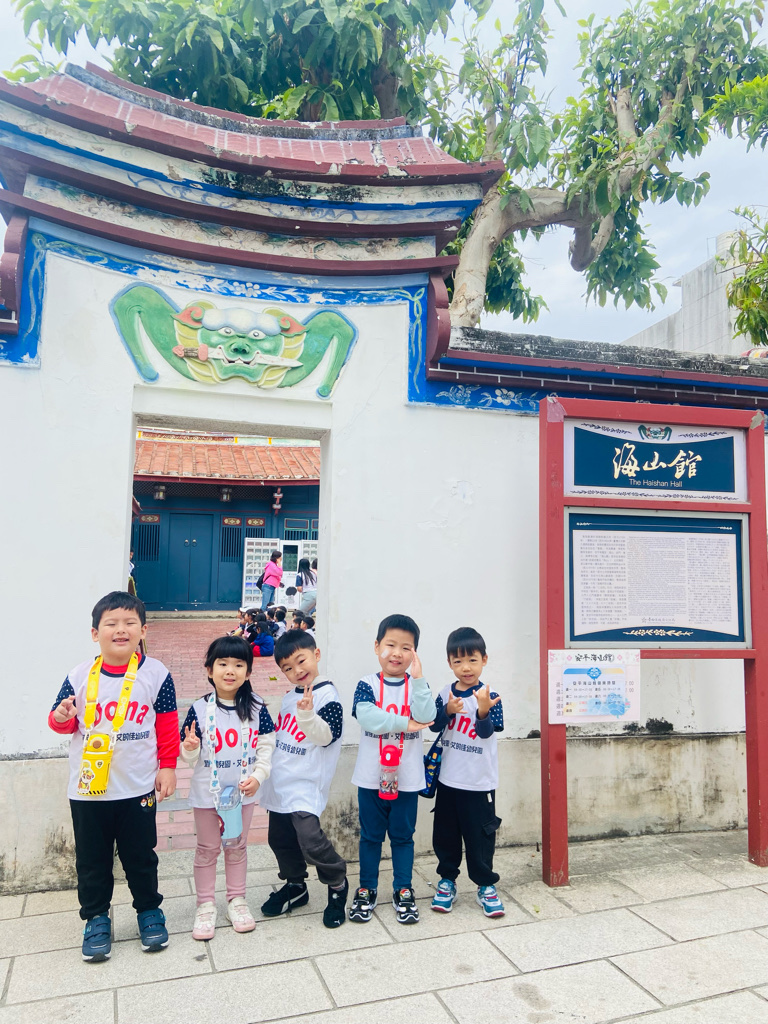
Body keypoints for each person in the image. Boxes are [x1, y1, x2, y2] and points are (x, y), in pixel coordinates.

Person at [48, 591, 179, 962]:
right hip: (88, 790)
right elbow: (60, 721)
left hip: (137, 787)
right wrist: (61, 716)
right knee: (92, 860)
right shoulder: (78, 676)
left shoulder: (156, 674)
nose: (121, 630)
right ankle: (96, 918)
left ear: (143, 631)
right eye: (111, 623)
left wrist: (168, 766)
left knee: (141, 856)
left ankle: (149, 911)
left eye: (129, 623)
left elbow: (167, 725)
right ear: (95, 633)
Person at [180, 635, 275, 940]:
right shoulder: (198, 709)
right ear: (210, 670)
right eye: (222, 664)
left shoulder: (257, 708)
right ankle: (205, 904)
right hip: (207, 796)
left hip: (241, 796)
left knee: (236, 847)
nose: (230, 670)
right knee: (207, 849)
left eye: (238, 664)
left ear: (248, 672)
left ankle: (237, 900)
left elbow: (266, 746)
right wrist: (190, 748)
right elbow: (188, 755)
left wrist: (258, 776)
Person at [258, 630, 348, 928]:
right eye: (287, 668)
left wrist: (308, 716)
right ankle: (296, 885)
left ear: (316, 654)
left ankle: (337, 882)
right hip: (280, 781)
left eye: (301, 660)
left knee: (310, 839)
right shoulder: (289, 697)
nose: (297, 670)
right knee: (279, 839)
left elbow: (327, 737)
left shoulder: (328, 696)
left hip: (305, 782)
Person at [348, 614, 435, 925]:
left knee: (403, 837)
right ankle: (366, 888)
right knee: (370, 836)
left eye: (406, 648)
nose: (397, 653)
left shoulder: (417, 686)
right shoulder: (367, 684)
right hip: (371, 777)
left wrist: (420, 679)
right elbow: (365, 715)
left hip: (407, 778)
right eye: (390, 645)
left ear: (414, 653)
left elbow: (428, 715)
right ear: (377, 647)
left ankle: (403, 889)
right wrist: (404, 724)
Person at [429, 627, 505, 918]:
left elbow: (486, 733)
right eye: (458, 661)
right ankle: (447, 881)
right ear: (449, 663)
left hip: (479, 782)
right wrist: (447, 710)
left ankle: (486, 885)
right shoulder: (444, 693)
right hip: (448, 780)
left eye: (472, 660)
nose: (466, 667)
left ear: (484, 659)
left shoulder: (490, 696)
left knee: (480, 838)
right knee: (445, 834)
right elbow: (434, 725)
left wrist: (482, 710)